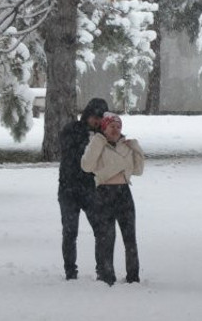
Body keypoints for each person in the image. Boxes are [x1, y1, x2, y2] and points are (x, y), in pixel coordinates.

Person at [80, 112, 145, 285]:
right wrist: (98, 141)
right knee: (106, 238)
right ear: (104, 128)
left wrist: (136, 149)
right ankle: (106, 275)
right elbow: (87, 166)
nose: (115, 130)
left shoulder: (125, 146)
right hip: (104, 194)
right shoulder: (98, 144)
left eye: (118, 127)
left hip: (124, 193)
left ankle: (133, 276)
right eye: (111, 126)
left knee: (130, 238)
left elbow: (138, 170)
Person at [57, 97, 109, 280]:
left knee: (101, 230)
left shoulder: (103, 137)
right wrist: (89, 144)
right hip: (69, 189)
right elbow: (71, 154)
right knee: (70, 232)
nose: (97, 121)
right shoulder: (72, 130)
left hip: (91, 189)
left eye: (101, 118)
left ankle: (102, 270)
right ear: (87, 115)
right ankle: (70, 271)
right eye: (94, 117)